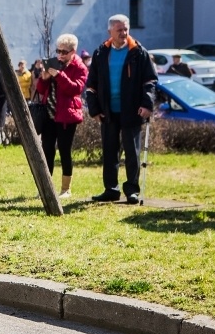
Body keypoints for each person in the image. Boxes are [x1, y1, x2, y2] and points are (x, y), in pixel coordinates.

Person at [86, 14, 157, 204]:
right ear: (110, 31)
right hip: (108, 111)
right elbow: (91, 85)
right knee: (110, 152)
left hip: (132, 111)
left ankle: (132, 190)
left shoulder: (139, 52)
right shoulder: (101, 53)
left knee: (132, 153)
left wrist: (147, 104)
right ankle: (111, 189)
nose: (124, 33)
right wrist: (94, 109)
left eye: (126, 29)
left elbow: (150, 81)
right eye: (119, 30)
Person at [35, 34, 88, 198]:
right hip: (49, 114)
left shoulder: (80, 67)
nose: (60, 55)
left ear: (73, 51)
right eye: (58, 51)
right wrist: (44, 79)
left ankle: (66, 189)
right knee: (47, 150)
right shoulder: (54, 63)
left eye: (64, 52)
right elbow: (41, 91)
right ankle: (46, 187)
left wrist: (59, 75)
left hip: (67, 115)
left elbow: (75, 89)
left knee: (65, 151)